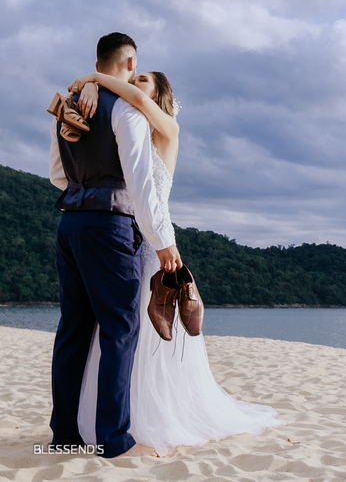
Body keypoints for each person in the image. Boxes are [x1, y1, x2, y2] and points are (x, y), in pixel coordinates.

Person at [66, 57, 281, 457]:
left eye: (143, 80)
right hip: (123, 235)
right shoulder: (126, 128)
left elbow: (132, 100)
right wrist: (91, 88)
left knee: (146, 330)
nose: (134, 83)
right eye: (134, 76)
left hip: (154, 241)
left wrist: (94, 77)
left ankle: (146, 419)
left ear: (160, 94)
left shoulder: (167, 129)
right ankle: (113, 420)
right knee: (118, 330)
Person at [49, 33, 179, 458]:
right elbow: (139, 183)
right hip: (109, 226)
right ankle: (114, 441)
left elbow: (57, 175)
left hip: (70, 223)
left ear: (97, 65)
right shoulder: (127, 110)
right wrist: (161, 241)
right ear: (130, 63)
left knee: (73, 330)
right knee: (120, 329)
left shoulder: (66, 108)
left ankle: (64, 435)